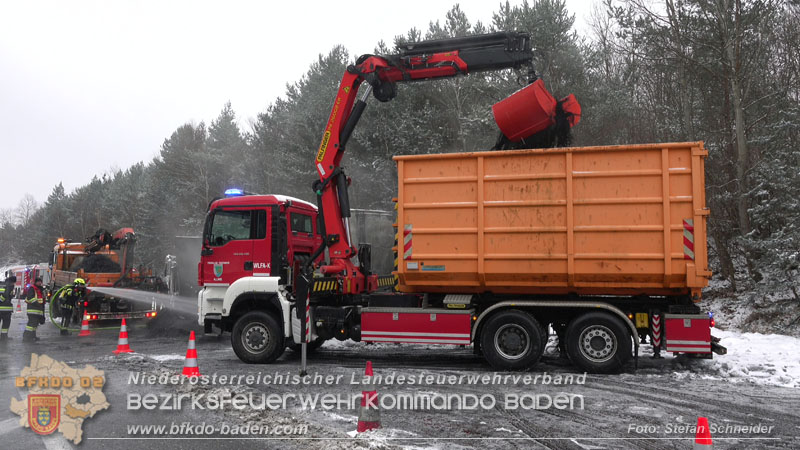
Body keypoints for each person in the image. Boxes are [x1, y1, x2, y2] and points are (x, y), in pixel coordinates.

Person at [23, 277, 47, 342]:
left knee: (35, 325)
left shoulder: (41, 290)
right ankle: (26, 337)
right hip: (32, 310)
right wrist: (37, 304)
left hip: (38, 311)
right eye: (38, 281)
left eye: (40, 282)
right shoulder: (32, 288)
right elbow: (30, 298)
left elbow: (42, 300)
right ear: (35, 282)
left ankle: (32, 337)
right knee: (31, 325)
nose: (39, 283)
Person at [0, 276, 15, 341]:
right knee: (6, 323)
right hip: (6, 309)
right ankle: (4, 337)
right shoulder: (9, 286)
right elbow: (5, 295)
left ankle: (4, 337)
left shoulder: (2, 285)